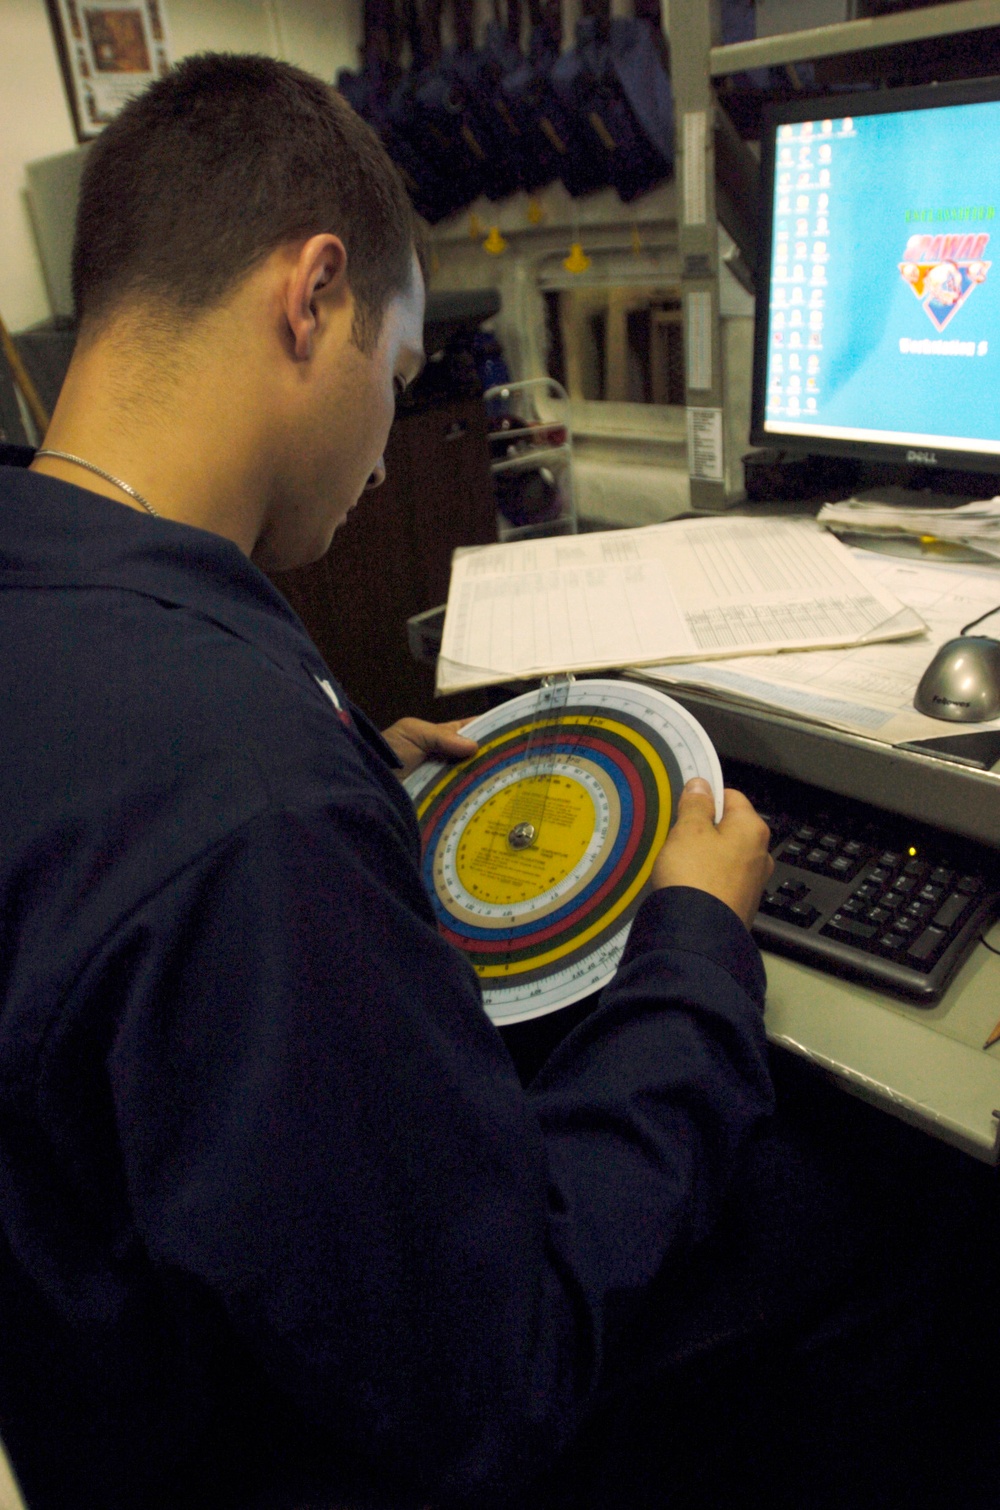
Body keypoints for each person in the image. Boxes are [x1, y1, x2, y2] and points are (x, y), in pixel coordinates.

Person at [0, 52, 991, 1510]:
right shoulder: (247, 801)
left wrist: (351, 768)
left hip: (120, 1377)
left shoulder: (63, 587)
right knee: (893, 1212)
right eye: (397, 384)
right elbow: (499, 1364)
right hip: (337, 1444)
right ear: (312, 295)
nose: (392, 461)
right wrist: (697, 944)